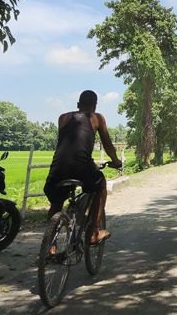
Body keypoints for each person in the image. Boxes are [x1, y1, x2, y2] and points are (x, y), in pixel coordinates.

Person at [43, 91, 122, 245]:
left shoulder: (63, 118)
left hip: (58, 167)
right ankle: (94, 232)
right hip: (82, 165)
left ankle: (48, 246)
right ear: (95, 106)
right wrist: (116, 161)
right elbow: (107, 144)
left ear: (78, 105)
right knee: (101, 185)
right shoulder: (97, 118)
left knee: (57, 204)